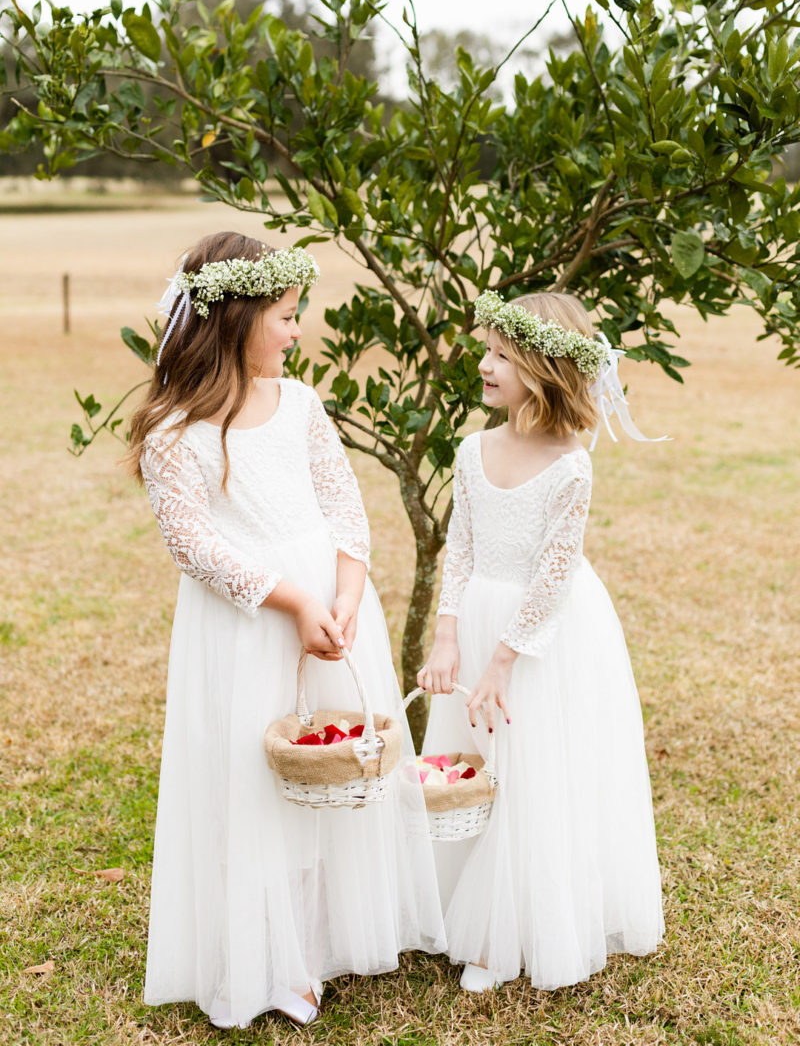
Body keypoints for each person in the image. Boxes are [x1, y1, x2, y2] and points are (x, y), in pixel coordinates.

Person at [127, 231, 444, 1030]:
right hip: (249, 622)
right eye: (286, 317)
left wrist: (343, 593)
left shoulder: (300, 402)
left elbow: (343, 504)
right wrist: (291, 602)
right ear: (234, 320)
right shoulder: (174, 428)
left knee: (330, 771)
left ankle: (319, 933)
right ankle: (265, 956)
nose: (298, 332)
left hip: (331, 611)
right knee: (253, 781)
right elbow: (192, 544)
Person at [417, 289, 664, 993]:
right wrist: (447, 636)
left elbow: (553, 576)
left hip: (541, 636)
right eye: (485, 350)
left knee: (529, 768)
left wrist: (502, 662)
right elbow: (459, 548)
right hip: (478, 622)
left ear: (543, 366)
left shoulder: (571, 464)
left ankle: (508, 933)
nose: (484, 365)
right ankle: (463, 906)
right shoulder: (472, 450)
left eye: (500, 354)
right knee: (475, 765)